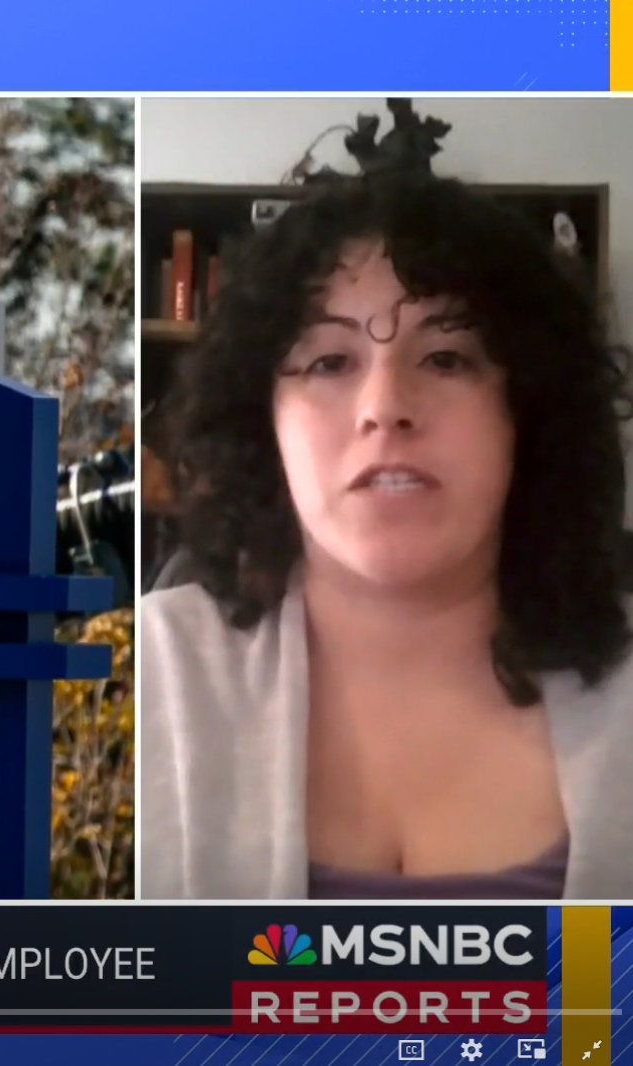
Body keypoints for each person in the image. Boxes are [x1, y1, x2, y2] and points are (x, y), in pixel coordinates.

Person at [141, 173, 633, 899]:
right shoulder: (144, 674)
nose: (385, 407)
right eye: (328, 361)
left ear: (526, 410)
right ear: (262, 420)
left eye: (445, 358)